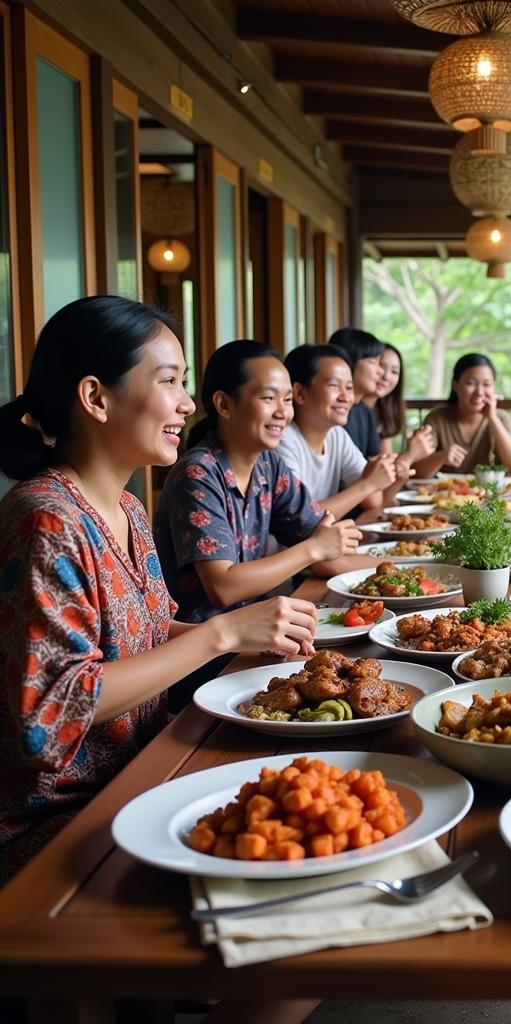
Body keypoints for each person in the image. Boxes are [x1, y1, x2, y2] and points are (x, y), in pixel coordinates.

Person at [0, 297, 318, 885]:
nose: (187, 404)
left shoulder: (125, 506)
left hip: (147, 768)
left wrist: (243, 638)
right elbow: (48, 715)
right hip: (62, 819)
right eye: (169, 381)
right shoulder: (44, 518)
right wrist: (221, 631)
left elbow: (145, 631)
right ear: (96, 398)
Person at [153, 339, 362, 630]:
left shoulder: (268, 465)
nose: (283, 412)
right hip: (203, 654)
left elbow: (327, 545)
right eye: (268, 398)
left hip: (258, 632)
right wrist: (313, 549)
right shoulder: (197, 473)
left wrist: (418, 569)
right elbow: (223, 586)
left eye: (287, 399)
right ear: (224, 404)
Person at [278, 343, 398, 517]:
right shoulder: (284, 441)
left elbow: (373, 500)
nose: (345, 397)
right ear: (299, 394)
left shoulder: (336, 435)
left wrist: (373, 477)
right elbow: (300, 519)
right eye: (334, 386)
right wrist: (367, 484)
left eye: (349, 387)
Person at [413, 353, 511, 476]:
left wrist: (492, 418)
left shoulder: (501, 418)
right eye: (470, 383)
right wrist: (441, 457)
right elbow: (417, 473)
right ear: (455, 385)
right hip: (446, 493)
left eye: (486, 384)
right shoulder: (437, 418)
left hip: (491, 492)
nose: (479, 392)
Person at [328, 326, 385, 458]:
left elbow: (372, 464)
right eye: (372, 362)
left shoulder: (365, 411)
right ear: (347, 362)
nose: (380, 371)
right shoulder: (332, 414)